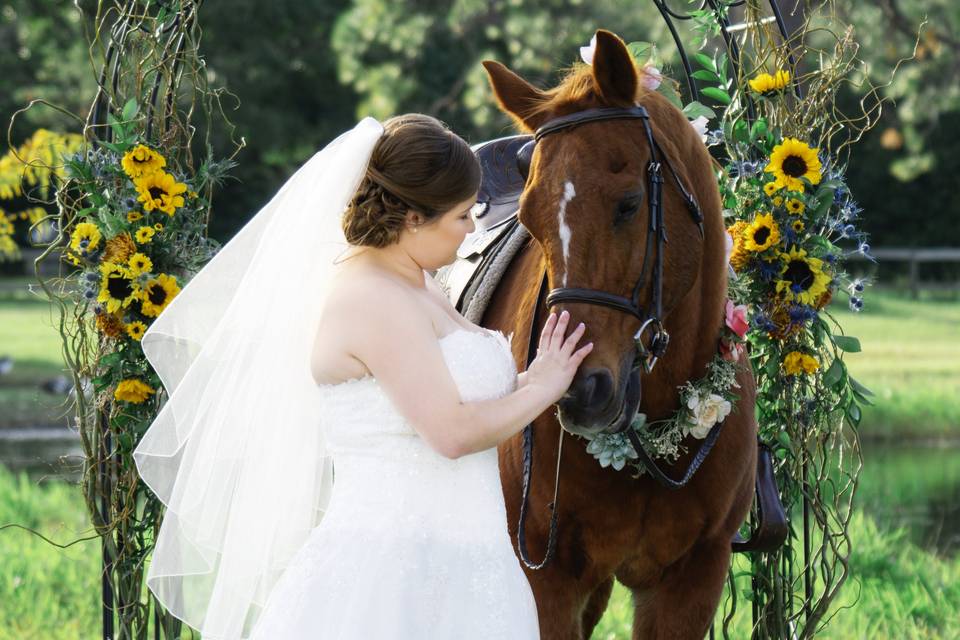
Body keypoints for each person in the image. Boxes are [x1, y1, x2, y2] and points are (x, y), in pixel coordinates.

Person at [133, 114, 591, 640]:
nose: (471, 230)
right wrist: (542, 391)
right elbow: (451, 433)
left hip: (467, 566)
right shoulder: (372, 298)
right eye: (463, 216)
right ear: (414, 218)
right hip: (391, 577)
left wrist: (535, 382)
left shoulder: (419, 285)